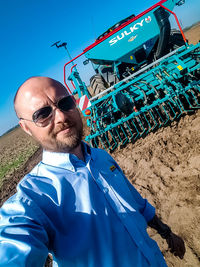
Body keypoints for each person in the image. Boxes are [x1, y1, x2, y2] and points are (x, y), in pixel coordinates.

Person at [0, 77, 185, 267]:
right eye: (42, 114)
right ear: (26, 128)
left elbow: (136, 203)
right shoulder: (34, 197)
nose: (61, 117)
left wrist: (166, 233)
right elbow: (14, 248)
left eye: (65, 103)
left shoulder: (102, 158)